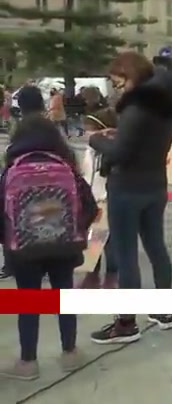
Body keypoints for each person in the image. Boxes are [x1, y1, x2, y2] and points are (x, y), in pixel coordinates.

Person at [88, 52, 172, 344]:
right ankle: (164, 311)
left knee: (126, 254)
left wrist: (95, 138)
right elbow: (145, 138)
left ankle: (126, 323)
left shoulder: (136, 109)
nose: (118, 90)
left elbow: (119, 154)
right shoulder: (167, 106)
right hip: (155, 184)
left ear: (133, 76)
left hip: (127, 187)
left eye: (119, 84)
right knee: (156, 246)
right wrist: (122, 133)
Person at [0, 115, 98, 380]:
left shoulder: (11, 169)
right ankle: (70, 353)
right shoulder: (66, 166)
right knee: (63, 296)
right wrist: (73, 230)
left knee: (28, 300)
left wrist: (8, 242)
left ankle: (28, 362)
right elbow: (90, 207)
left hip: (24, 249)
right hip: (63, 247)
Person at [76, 108, 120, 289]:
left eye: (90, 129)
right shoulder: (90, 149)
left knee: (109, 240)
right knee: (93, 238)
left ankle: (112, 274)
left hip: (106, 198)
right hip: (91, 197)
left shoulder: (111, 148)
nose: (87, 134)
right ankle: (92, 273)